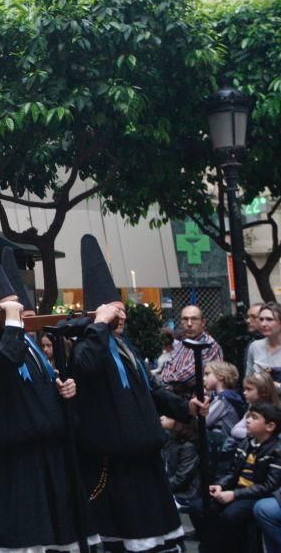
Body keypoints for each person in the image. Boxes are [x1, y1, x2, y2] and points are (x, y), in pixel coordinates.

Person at [72, 234, 208, 552]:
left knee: (157, 537)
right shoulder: (84, 345)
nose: (122, 318)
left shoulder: (127, 347)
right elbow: (84, 366)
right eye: (113, 314)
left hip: (146, 456)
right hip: (114, 460)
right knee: (125, 536)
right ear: (99, 316)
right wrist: (99, 327)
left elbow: (153, 391)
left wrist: (186, 407)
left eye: (123, 312)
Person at [0, 232, 90, 553]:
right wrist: (11, 317)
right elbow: (8, 357)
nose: (22, 318)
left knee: (47, 539)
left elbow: (39, 384)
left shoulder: (31, 346)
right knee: (19, 540)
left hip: (44, 453)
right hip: (12, 461)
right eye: (15, 310)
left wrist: (64, 389)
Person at [204, 403, 281, 551]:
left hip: (258, 495)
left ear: (270, 426)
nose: (248, 420)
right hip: (238, 490)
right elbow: (233, 472)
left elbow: (270, 485)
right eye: (248, 416)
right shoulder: (246, 443)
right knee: (203, 506)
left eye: (254, 418)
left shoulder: (276, 450)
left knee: (231, 515)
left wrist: (234, 494)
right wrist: (221, 485)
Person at [158, 304, 224, 397]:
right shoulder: (182, 343)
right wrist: (168, 380)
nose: (189, 324)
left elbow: (188, 377)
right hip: (181, 401)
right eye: (185, 319)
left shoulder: (209, 345)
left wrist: (166, 381)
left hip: (202, 403)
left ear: (203, 322)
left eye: (194, 319)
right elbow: (169, 365)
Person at [205, 360, 245, 469]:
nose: (204, 378)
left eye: (207, 374)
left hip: (223, 448)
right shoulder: (230, 396)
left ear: (221, 376)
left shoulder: (224, 399)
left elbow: (204, 421)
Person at [160, 415, 199, 512]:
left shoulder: (189, 446)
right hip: (168, 486)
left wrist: (158, 486)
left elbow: (181, 479)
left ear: (180, 423)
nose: (162, 417)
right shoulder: (170, 438)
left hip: (184, 494)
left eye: (168, 416)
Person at [247, 302, 281, 384]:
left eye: (269, 319)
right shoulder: (254, 346)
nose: (263, 324)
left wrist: (274, 387)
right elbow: (248, 381)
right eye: (261, 319)